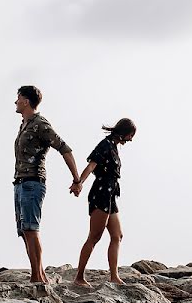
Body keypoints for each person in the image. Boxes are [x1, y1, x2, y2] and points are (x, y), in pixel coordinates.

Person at [13, 85, 81, 284]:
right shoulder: (24, 123)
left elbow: (64, 148)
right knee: (25, 231)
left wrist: (76, 179)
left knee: (31, 229)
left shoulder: (40, 124)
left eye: (18, 98)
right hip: (20, 182)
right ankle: (39, 275)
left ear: (26, 101)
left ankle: (37, 277)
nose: (15, 101)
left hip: (33, 183)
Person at [72, 118, 136, 286]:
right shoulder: (105, 145)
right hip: (101, 193)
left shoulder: (114, 147)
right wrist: (79, 183)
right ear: (124, 132)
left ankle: (114, 276)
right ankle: (79, 277)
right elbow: (92, 166)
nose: (131, 139)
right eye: (130, 135)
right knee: (94, 236)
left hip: (111, 194)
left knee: (117, 235)